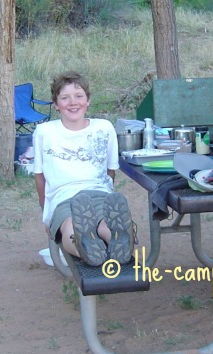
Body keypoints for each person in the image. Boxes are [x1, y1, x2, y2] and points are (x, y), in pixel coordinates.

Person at [33, 71, 134, 266]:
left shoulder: (103, 128)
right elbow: (40, 177)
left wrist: (106, 192)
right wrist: (47, 214)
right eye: (65, 97)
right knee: (71, 227)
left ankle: (116, 240)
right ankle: (89, 246)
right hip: (63, 198)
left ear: (88, 101)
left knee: (107, 222)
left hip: (99, 193)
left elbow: (110, 171)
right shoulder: (45, 132)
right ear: (56, 104)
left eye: (79, 96)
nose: (73, 102)